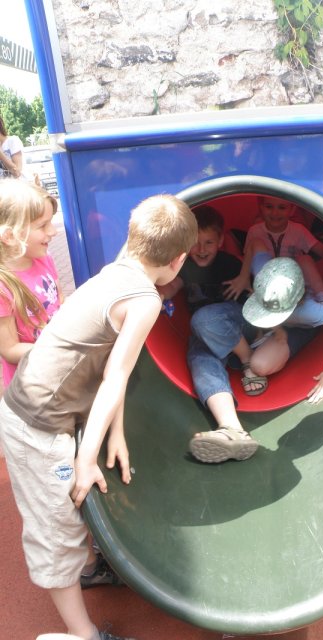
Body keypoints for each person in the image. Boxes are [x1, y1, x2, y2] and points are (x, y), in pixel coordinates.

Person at [0, 193, 198, 640]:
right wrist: (87, 458)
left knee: (71, 509)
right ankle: (84, 634)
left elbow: (112, 369)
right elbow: (116, 375)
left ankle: (90, 568)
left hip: (42, 410)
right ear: (179, 260)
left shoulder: (116, 271)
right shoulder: (145, 300)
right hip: (36, 426)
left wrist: (117, 432)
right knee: (57, 529)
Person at [157, 205, 271, 465]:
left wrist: (248, 284)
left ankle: (247, 359)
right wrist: (158, 295)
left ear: (220, 241)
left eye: (209, 242)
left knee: (204, 318)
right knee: (199, 359)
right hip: (207, 334)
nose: (201, 249)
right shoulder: (185, 267)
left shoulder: (228, 263)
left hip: (240, 325)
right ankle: (232, 428)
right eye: (195, 243)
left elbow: (255, 293)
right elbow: (173, 285)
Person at [242, 255, 323, 404]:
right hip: (287, 320)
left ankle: (322, 296)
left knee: (259, 365)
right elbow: (255, 245)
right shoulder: (264, 276)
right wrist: (243, 277)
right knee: (257, 365)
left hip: (304, 325)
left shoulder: (306, 311)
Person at [0, 179, 62, 387]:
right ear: (10, 236)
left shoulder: (45, 259)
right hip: (31, 386)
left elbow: (60, 301)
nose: (53, 231)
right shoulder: (3, 286)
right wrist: (59, 348)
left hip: (60, 371)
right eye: (43, 225)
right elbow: (9, 350)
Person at [224, 195, 323, 302]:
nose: (275, 213)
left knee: (305, 259)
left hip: (293, 280)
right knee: (256, 246)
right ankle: (265, 295)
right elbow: (248, 258)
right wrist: (243, 278)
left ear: (292, 210)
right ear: (261, 207)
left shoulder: (298, 230)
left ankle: (322, 298)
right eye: (269, 207)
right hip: (268, 280)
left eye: (282, 207)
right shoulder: (255, 231)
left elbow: (322, 251)